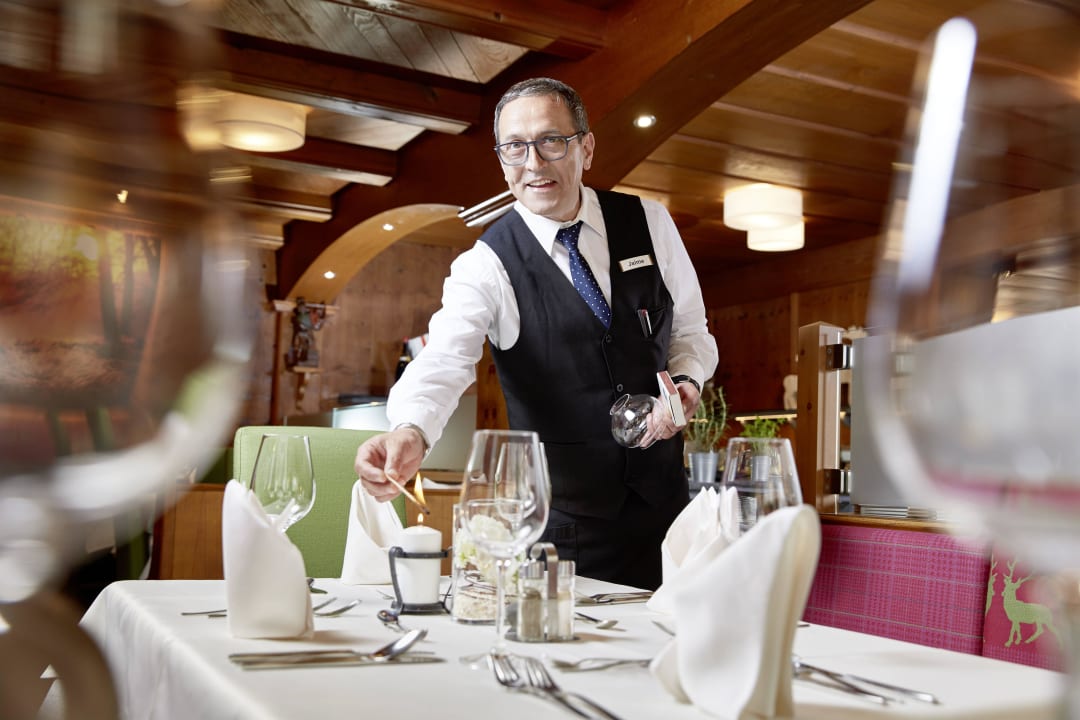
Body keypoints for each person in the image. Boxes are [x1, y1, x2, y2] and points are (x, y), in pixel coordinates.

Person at [354, 77, 718, 589]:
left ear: (586, 148)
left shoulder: (649, 223)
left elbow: (690, 331)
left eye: (551, 141)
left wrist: (687, 381)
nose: (533, 163)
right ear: (501, 159)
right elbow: (445, 361)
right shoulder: (485, 265)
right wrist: (410, 430)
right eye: (514, 147)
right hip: (562, 530)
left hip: (669, 515)